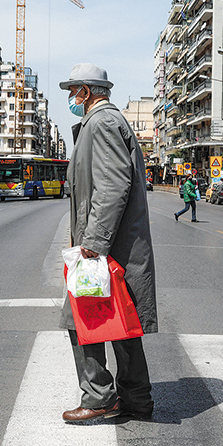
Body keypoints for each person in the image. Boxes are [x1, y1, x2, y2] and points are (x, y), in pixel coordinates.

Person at [59, 63, 158, 423]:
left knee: (80, 319)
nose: (71, 98)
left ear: (86, 91)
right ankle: (136, 398)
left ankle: (99, 397)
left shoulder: (100, 123)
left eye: (73, 91)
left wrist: (93, 242)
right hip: (115, 245)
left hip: (106, 246)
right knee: (121, 320)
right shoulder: (105, 122)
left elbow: (113, 185)